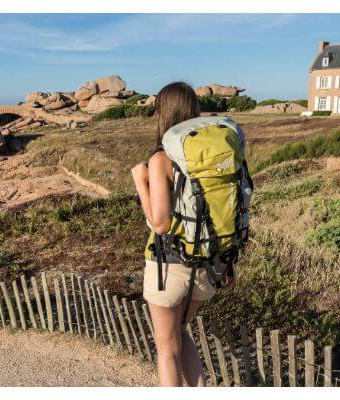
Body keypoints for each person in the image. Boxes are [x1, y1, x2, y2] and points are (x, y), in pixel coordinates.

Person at [131, 82, 215, 386]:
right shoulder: (208, 156)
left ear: (163, 114)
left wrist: (142, 182)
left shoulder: (161, 158)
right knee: (181, 333)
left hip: (168, 267)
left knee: (167, 351)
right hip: (205, 265)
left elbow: (160, 223)